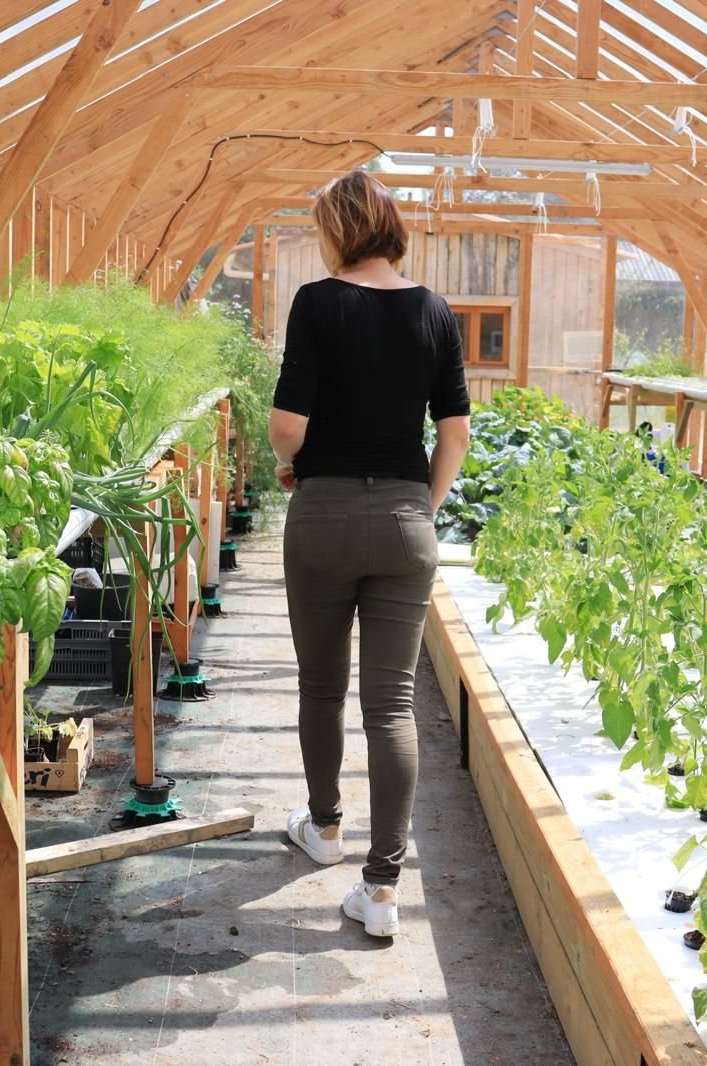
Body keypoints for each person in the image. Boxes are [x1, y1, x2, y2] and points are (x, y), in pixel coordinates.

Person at [268, 170, 471, 939]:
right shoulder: (434, 311)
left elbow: (289, 424)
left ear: (338, 230)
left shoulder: (319, 303)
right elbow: (454, 434)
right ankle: (382, 892)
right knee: (390, 705)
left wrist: (294, 460)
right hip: (404, 520)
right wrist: (423, 504)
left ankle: (323, 830)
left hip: (320, 517)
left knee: (321, 688)